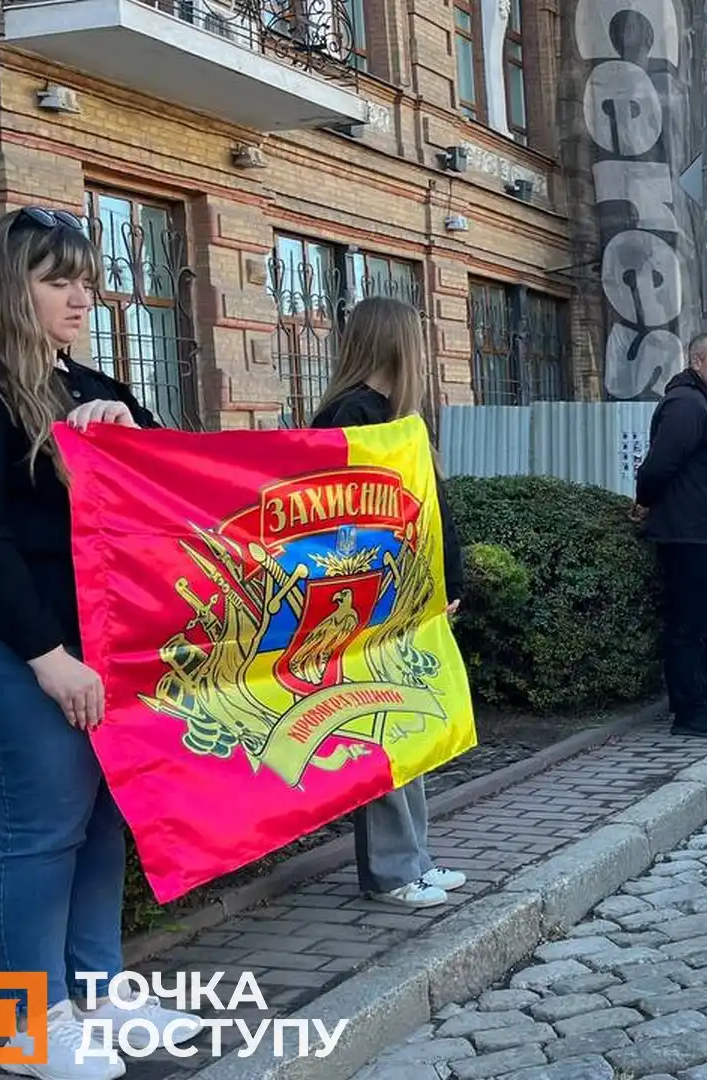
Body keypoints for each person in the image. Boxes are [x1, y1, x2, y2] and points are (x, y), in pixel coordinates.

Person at [0, 206, 204, 1079]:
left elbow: (172, 491)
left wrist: (134, 439)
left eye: (85, 279)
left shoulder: (87, 384)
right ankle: (21, 1027)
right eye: (56, 279)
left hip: (91, 635)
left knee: (105, 812)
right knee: (42, 822)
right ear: (9, 286)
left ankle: (98, 993)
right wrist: (48, 656)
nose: (81, 297)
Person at [308, 295, 469, 909]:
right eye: (418, 339)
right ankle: (393, 870)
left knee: (409, 734)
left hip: (410, 601)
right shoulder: (351, 414)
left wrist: (444, 587)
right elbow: (352, 516)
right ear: (397, 345)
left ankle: (414, 859)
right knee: (383, 738)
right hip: (377, 604)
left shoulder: (394, 414)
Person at [634, 331, 707, 738]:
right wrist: (645, 499)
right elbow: (659, 466)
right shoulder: (685, 405)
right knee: (690, 624)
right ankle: (689, 709)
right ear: (697, 362)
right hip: (691, 535)